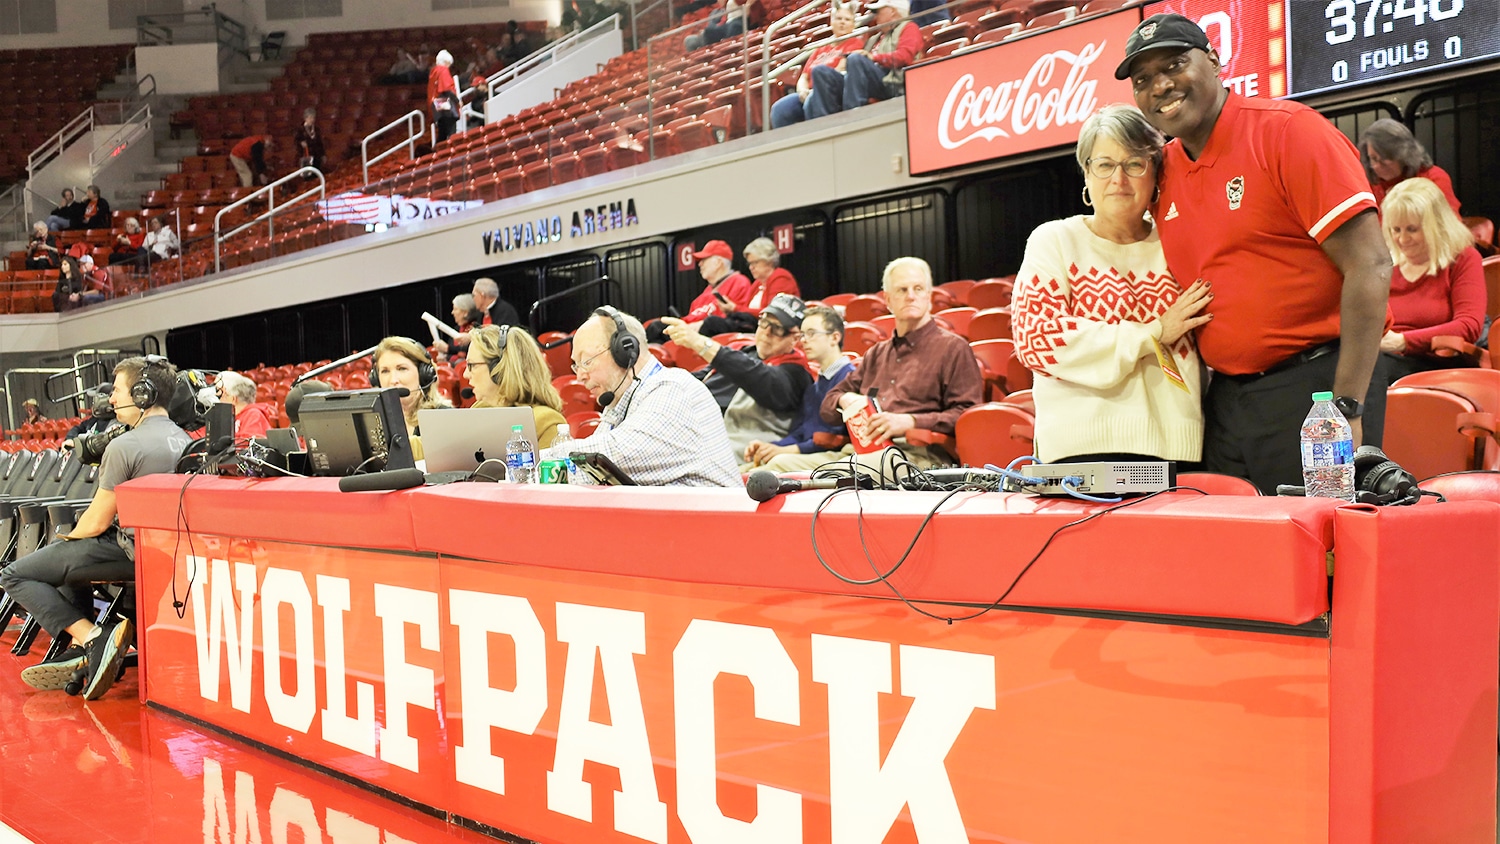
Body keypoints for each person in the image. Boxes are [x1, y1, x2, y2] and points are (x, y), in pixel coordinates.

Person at [1120, 13, 1393, 494]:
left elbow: (1370, 264)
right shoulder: (1162, 171)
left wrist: (1346, 407)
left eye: (1175, 64)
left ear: (1214, 60)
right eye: (1143, 79)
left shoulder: (1288, 132)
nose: (1160, 85)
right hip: (1224, 398)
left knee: (1319, 551)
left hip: (1315, 389)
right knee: (1236, 556)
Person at [1012, 105, 1209, 464]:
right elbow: (1037, 339)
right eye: (1104, 165)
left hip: (1175, 449)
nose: (1118, 180)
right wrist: (1152, 333)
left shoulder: (1179, 243)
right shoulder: (1054, 239)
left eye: (1134, 164)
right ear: (1086, 174)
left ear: (1155, 175)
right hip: (1078, 452)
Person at [1, 355, 191, 699]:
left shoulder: (124, 446)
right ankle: (81, 648)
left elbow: (96, 521)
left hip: (129, 550)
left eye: (118, 390)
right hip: (168, 550)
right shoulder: (184, 439)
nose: (113, 399)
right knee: (69, 563)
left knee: (16, 574)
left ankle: (92, 637)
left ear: (143, 394)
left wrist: (66, 536)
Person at [569, 306, 741, 486]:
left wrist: (543, 460)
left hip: (713, 513)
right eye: (576, 365)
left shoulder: (673, 389)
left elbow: (613, 458)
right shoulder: (620, 403)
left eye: (586, 362)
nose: (580, 375)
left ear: (625, 351)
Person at [662, 293, 814, 464]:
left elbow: (757, 377)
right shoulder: (744, 352)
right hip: (689, 425)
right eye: (764, 322)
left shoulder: (796, 374)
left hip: (722, 446)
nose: (766, 333)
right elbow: (696, 379)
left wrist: (699, 343)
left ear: (795, 338)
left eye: (777, 329)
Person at [1379, 177, 1487, 382]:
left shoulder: (1463, 259)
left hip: (1434, 365)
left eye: (1412, 229)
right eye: (1396, 229)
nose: (1402, 239)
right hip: (1384, 360)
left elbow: (1469, 325)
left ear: (1436, 226)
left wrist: (1402, 341)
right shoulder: (1385, 263)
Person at [746, 306, 855, 469]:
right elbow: (800, 433)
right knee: (744, 469)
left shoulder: (851, 379)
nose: (803, 340)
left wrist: (786, 450)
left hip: (841, 457)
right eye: (802, 334)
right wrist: (770, 447)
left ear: (834, 337)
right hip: (810, 455)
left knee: (774, 466)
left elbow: (834, 439)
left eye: (811, 333)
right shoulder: (814, 388)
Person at [806, 0, 920, 120]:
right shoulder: (875, 38)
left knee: (856, 59)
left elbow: (904, 57)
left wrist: (873, 57)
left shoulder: (909, 28)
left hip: (892, 82)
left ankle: (853, 113)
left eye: (878, 11)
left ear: (892, 12)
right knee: (821, 72)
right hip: (872, 80)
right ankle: (823, 123)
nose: (875, 15)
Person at [463, 325, 566, 448]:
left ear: (498, 368)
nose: (465, 374)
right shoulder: (479, 411)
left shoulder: (544, 422)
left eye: (471, 365)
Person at [770, 3, 864, 129]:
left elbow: (841, 68)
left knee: (811, 101)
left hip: (831, 89)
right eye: (839, 18)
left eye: (847, 19)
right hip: (810, 90)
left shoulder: (855, 43)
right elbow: (804, 76)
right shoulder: (821, 48)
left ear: (853, 24)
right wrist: (803, 91)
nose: (842, 22)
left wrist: (815, 91)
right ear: (831, 22)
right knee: (779, 109)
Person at [645, 240, 754, 343]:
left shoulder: (739, 282)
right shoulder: (704, 294)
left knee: (710, 324)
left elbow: (737, 320)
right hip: (688, 333)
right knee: (654, 326)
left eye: (704, 260)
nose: (700, 264)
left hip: (713, 339)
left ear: (718, 262)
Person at [1359, 118, 1461, 215]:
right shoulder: (1369, 186)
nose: (1378, 165)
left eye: (1385, 157)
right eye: (1373, 159)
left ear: (1404, 154)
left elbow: (1450, 223)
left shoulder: (1434, 178)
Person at [373, 336, 450, 461]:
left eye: (402, 369)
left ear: (424, 374)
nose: (393, 380)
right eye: (385, 371)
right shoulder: (374, 423)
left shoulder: (442, 418)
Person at [448, 278, 522, 354]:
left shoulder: (505, 311)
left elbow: (501, 339)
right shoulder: (481, 314)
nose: (473, 299)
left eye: (474, 295)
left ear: (482, 295)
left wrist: (472, 337)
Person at [213, 371, 276, 441]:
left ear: (233, 398)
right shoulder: (232, 417)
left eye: (223, 395)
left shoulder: (254, 415)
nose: (220, 400)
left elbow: (248, 446)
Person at [429, 49, 461, 145]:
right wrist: (457, 101)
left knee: (442, 133)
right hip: (446, 104)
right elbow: (446, 89)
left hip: (437, 105)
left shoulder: (434, 72)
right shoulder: (443, 70)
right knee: (451, 132)